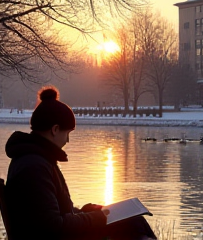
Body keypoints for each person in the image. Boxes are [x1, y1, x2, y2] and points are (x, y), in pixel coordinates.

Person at [5, 86, 156, 240]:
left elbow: (57, 214)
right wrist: (96, 218)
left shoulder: (35, 160)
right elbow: (53, 225)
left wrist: (89, 211)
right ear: (55, 129)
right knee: (132, 225)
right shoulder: (34, 167)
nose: (68, 140)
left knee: (134, 220)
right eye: (67, 133)